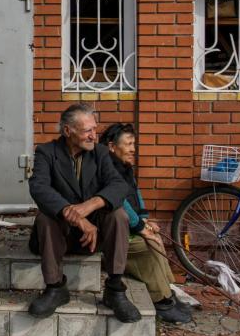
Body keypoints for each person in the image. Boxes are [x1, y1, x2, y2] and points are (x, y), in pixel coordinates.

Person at [27, 103, 139, 323]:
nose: (93, 136)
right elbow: (39, 188)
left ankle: (115, 288)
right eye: (88, 130)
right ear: (68, 131)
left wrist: (91, 205)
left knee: (118, 215)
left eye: (94, 129)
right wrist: (73, 214)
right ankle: (55, 287)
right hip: (62, 233)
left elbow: (118, 185)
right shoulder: (47, 152)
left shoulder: (100, 153)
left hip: (93, 236)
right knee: (45, 217)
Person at [101, 122, 192, 324]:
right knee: (146, 245)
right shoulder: (105, 169)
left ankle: (167, 291)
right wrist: (141, 228)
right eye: (128, 144)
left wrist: (144, 218)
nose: (133, 149)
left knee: (155, 237)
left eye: (134, 144)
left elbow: (136, 193)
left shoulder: (124, 167)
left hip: (131, 224)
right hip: (114, 232)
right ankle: (161, 301)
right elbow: (120, 202)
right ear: (112, 146)